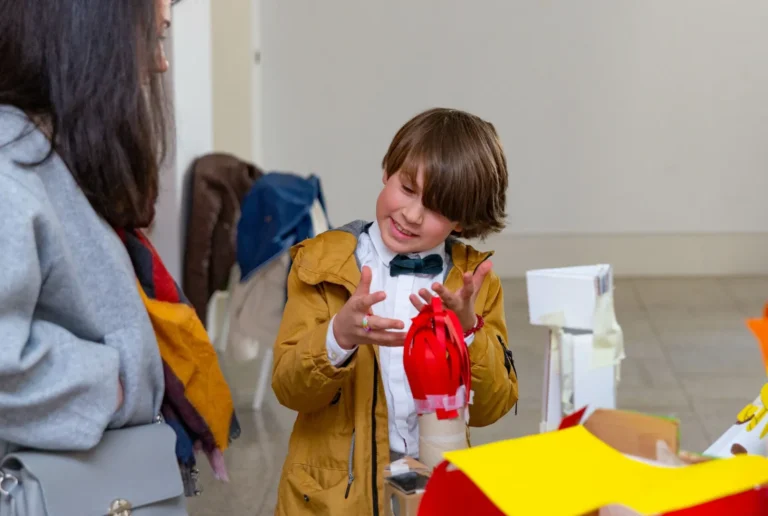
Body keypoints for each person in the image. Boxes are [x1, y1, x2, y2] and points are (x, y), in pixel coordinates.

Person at [0, 0, 237, 501]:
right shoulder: (10, 167)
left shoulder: (49, 151)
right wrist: (117, 383)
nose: (160, 63)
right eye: (155, 36)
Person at [271, 107, 519, 515]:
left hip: (434, 490)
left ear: (460, 221)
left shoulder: (474, 283)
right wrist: (338, 336)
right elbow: (288, 388)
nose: (412, 214)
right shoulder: (319, 265)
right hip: (334, 497)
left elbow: (490, 409)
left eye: (437, 208)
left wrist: (467, 332)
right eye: (407, 188)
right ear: (387, 170)